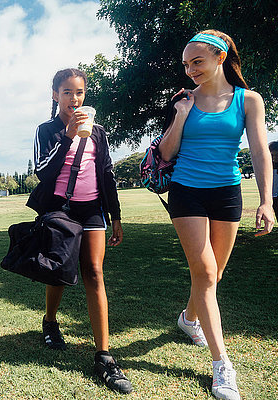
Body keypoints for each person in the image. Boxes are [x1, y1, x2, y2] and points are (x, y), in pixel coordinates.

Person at [159, 30, 274, 400]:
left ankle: (188, 318)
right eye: (186, 64)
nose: (191, 70)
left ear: (220, 58)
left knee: (214, 274)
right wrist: (180, 115)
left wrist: (266, 201)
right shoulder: (185, 100)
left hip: (227, 193)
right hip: (186, 191)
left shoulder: (248, 100)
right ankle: (222, 365)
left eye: (198, 62)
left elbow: (259, 152)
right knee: (206, 273)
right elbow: (164, 153)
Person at [26, 68, 132, 394]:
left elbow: (107, 173)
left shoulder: (98, 132)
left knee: (95, 273)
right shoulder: (47, 130)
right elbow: (42, 172)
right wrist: (68, 135)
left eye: (80, 92)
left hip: (92, 209)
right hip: (59, 208)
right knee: (59, 270)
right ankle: (50, 321)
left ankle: (104, 355)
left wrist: (115, 214)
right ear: (55, 95)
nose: (75, 98)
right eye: (67, 92)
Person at [269, 141, 278, 220]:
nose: (274, 158)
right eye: (272, 155)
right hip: (274, 196)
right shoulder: (269, 166)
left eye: (276, 155)